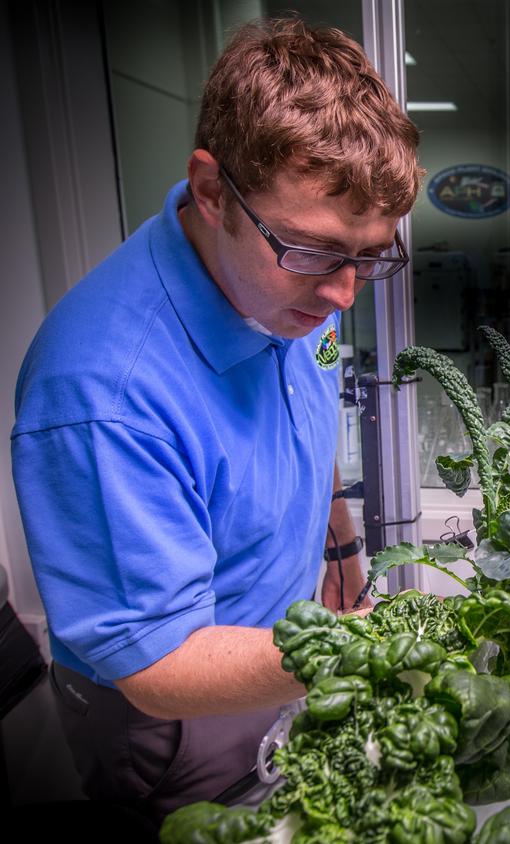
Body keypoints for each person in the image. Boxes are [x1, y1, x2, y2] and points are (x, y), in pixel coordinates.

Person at [9, 18, 421, 822]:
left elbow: (305, 419)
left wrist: (340, 555)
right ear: (209, 190)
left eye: (371, 255)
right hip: (173, 717)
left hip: (284, 650)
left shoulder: (290, 286)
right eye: (317, 251)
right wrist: (364, 651)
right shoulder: (103, 397)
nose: (345, 293)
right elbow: (157, 665)